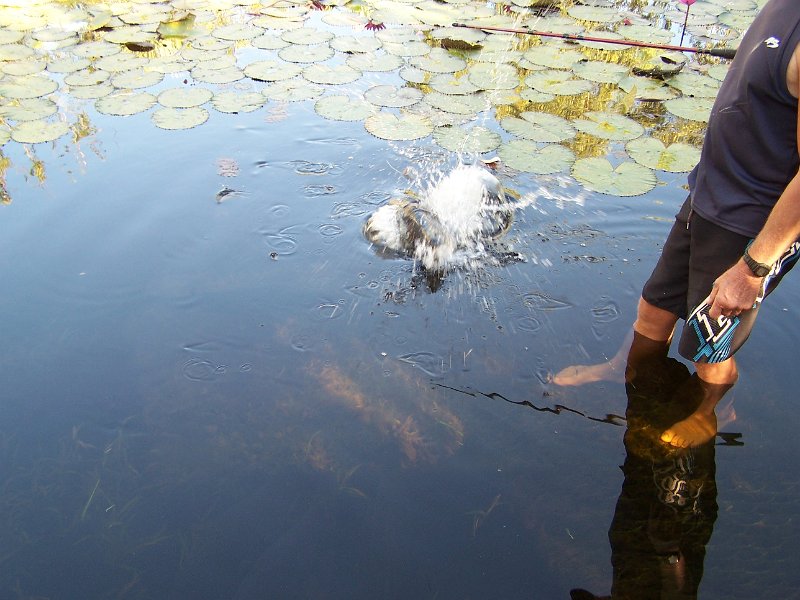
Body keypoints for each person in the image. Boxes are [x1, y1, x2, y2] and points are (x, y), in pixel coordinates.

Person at [555, 0, 800, 448]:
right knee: (653, 310)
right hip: (709, 192)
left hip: (747, 223)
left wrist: (753, 268)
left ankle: (714, 410)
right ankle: (619, 367)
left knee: (709, 347)